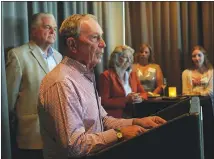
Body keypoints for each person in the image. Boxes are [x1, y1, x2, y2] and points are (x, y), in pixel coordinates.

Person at [38, 14, 166, 159]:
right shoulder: (62, 82)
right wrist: (120, 133)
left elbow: (102, 120)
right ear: (72, 44)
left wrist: (137, 121)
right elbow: (74, 146)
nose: (103, 44)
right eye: (95, 38)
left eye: (102, 37)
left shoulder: (85, 75)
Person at [6, 12, 62, 159]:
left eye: (54, 28)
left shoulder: (58, 56)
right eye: (47, 27)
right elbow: (8, 102)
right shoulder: (18, 55)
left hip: (59, 136)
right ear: (33, 30)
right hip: (32, 138)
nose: (52, 32)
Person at [99, 45, 148, 118]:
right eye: (125, 57)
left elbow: (144, 93)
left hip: (133, 114)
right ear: (116, 58)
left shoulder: (133, 75)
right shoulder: (106, 76)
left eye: (130, 57)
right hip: (114, 118)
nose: (129, 60)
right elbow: (104, 102)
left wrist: (139, 98)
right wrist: (125, 100)